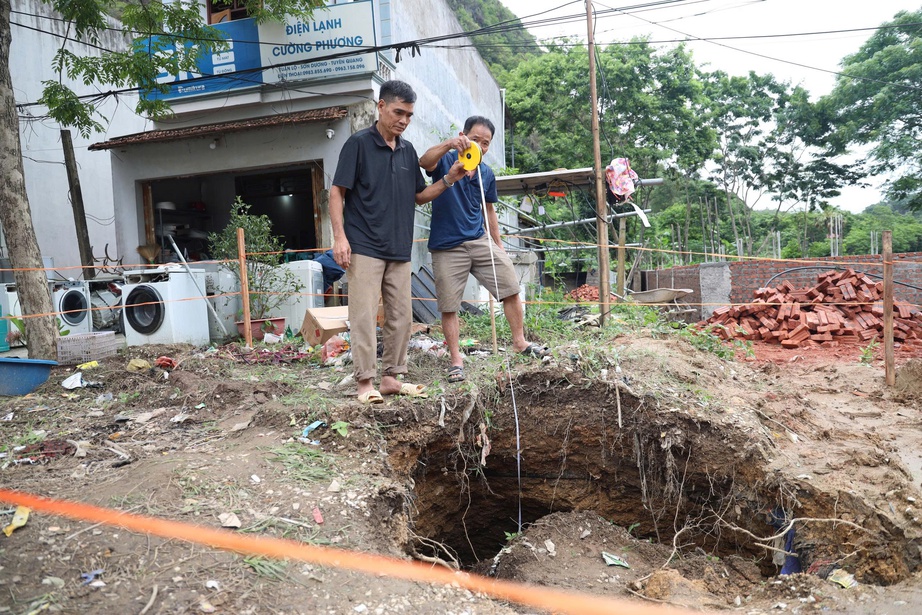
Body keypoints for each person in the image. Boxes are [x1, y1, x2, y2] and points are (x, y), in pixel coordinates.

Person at [330, 80, 467, 404]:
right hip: (364, 246)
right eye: (398, 112)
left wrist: (450, 179)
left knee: (401, 317)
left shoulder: (407, 151)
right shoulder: (358, 144)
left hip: (399, 248)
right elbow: (337, 191)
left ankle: (391, 377)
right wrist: (340, 237)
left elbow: (419, 196)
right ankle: (365, 382)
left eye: (409, 115)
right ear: (381, 107)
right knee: (363, 316)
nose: (404, 120)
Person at [419, 116, 548, 383]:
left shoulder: (485, 173)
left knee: (511, 286)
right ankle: (456, 359)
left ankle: (520, 342)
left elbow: (489, 209)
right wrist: (448, 144)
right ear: (463, 136)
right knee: (449, 305)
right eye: (475, 139)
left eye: (485, 143)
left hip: (479, 240)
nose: (480, 146)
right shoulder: (446, 160)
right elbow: (424, 161)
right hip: (447, 245)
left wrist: (497, 244)